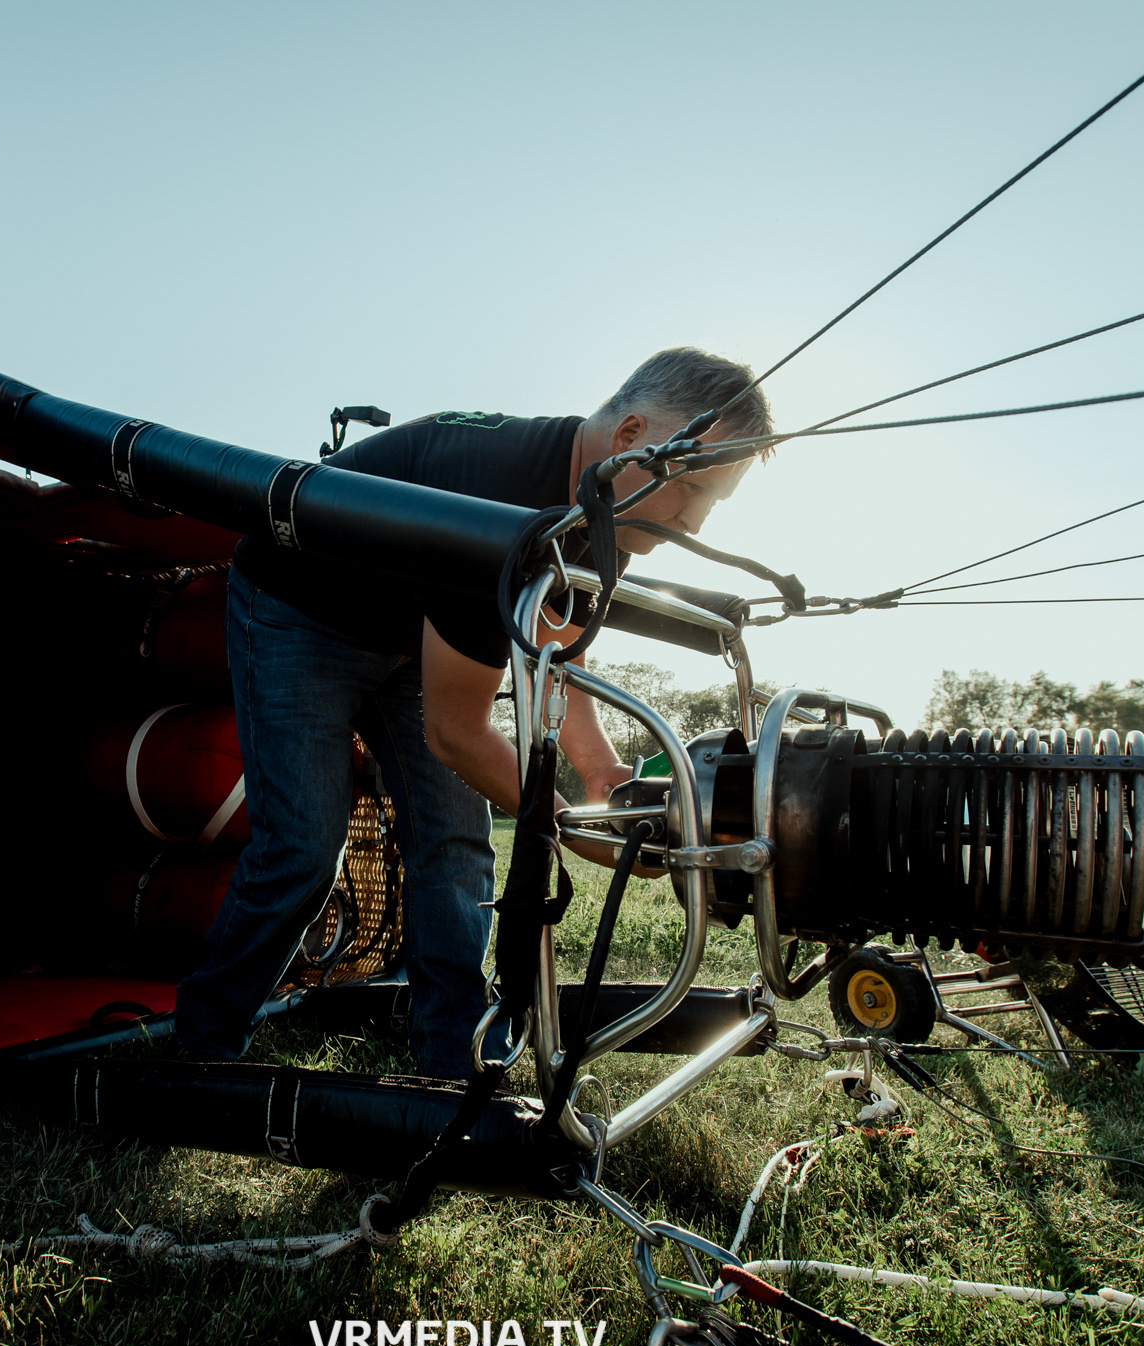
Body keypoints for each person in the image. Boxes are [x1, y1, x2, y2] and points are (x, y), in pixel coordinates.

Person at [172, 348, 775, 1078]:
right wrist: (564, 823)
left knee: (456, 844)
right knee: (302, 847)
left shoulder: (605, 512)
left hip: (412, 634)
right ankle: (200, 1049)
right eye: (694, 490)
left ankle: (455, 1056)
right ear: (630, 438)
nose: (698, 522)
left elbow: (561, 648)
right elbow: (456, 733)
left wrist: (600, 771)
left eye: (715, 502)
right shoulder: (500, 503)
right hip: (299, 611)